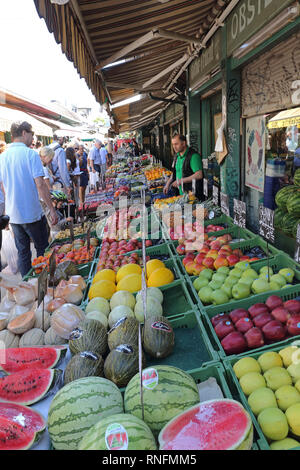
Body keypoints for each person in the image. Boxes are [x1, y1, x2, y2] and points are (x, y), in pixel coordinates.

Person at [0, 121, 58, 277]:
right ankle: (45, 284)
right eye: (31, 133)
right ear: (24, 133)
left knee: (23, 253)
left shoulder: (2, 157)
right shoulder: (30, 154)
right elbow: (40, 184)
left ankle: (28, 285)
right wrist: (52, 210)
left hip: (14, 216)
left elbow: (2, 186)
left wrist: (7, 207)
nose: (33, 137)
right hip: (31, 213)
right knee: (42, 249)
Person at [163, 134, 203, 200]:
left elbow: (199, 175)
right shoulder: (177, 156)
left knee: (191, 210)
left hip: (192, 196)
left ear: (184, 143)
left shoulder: (193, 156)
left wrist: (181, 181)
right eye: (173, 144)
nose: (174, 147)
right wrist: (167, 184)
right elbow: (174, 173)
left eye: (176, 144)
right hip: (181, 195)